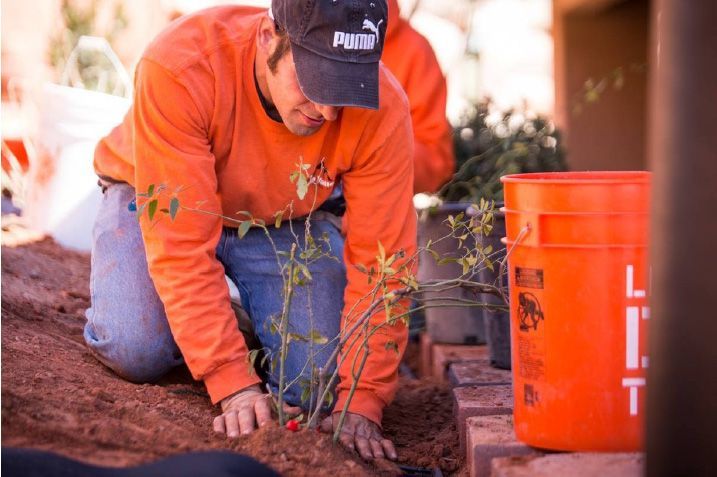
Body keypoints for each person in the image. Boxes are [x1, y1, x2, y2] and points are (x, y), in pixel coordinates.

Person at [84, 0, 415, 462]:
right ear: (268, 38)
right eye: (315, 81)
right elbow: (180, 243)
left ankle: (233, 322)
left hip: (281, 217)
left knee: (314, 384)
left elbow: (385, 261)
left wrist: (365, 398)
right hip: (161, 199)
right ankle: (203, 328)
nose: (328, 110)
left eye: (343, 88)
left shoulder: (384, 107)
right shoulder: (181, 65)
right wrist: (230, 379)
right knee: (136, 348)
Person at [383, 0, 454, 194]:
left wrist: (377, 156)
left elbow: (435, 159)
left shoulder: (414, 50)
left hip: (377, 205)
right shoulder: (297, 31)